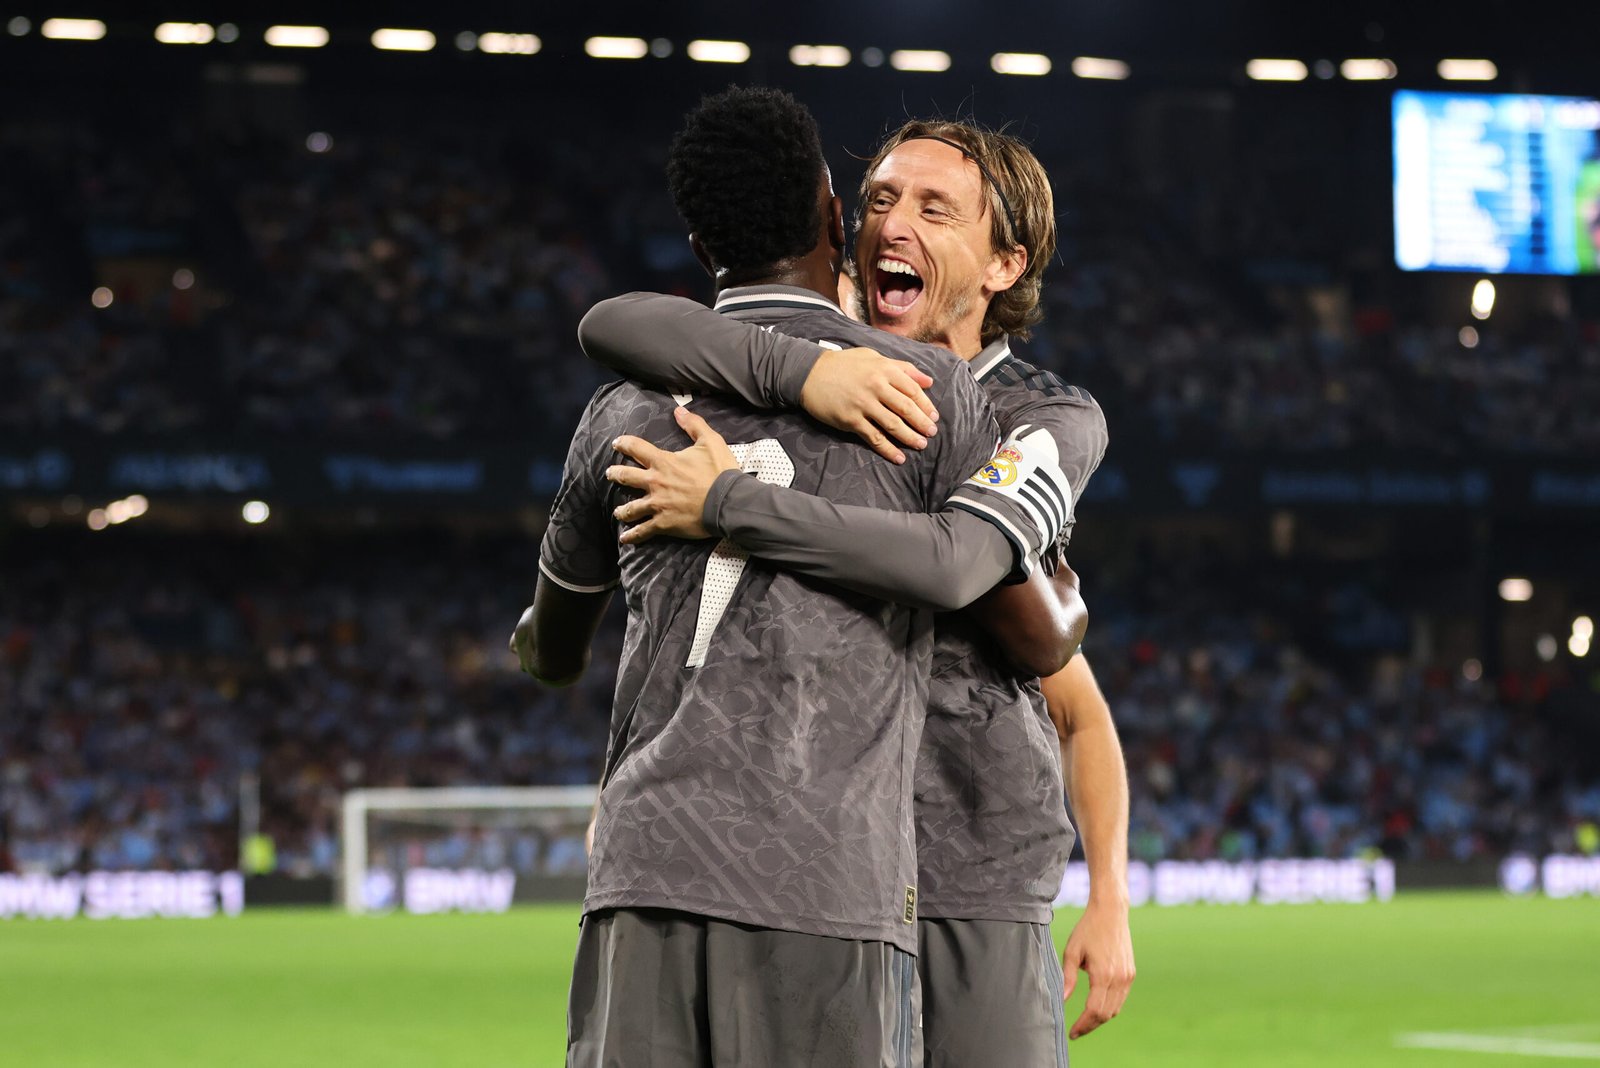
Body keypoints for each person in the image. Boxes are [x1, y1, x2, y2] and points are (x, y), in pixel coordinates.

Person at [577, 119, 1135, 1062]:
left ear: (1004, 262)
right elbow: (615, 324)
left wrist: (1110, 898)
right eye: (878, 198)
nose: (892, 224)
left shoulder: (1042, 416)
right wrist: (811, 370)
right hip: (808, 868)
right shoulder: (815, 369)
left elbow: (1069, 693)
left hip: (966, 875)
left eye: (932, 207)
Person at [513, 87, 1025, 1067]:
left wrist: (532, 645)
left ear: (702, 248)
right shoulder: (933, 398)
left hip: (643, 874)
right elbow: (1009, 605)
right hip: (826, 886)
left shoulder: (622, 407)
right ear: (836, 219)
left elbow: (555, 645)